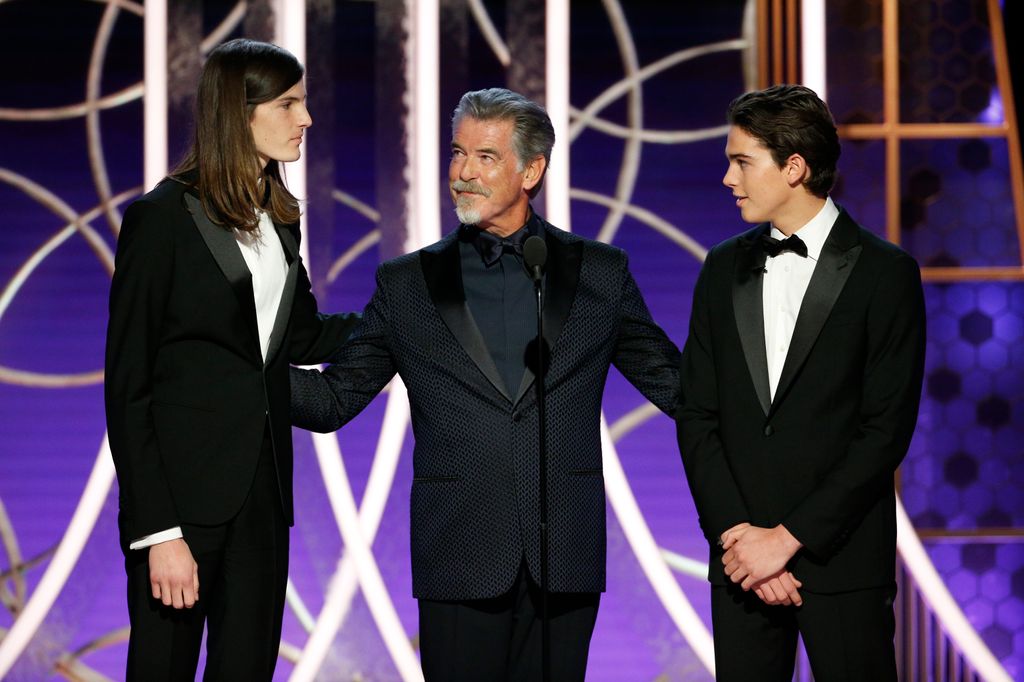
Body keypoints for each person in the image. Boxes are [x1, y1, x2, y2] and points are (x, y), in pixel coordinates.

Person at [290, 87, 679, 680]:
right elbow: (333, 400)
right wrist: (236, 371)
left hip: (563, 555)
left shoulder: (600, 273)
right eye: (456, 154)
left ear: (533, 169)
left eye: (486, 158)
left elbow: (678, 389)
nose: (463, 174)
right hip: (460, 553)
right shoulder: (406, 285)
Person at [104, 38, 358, 681]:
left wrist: (408, 321)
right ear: (237, 114)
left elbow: (299, 338)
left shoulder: (279, 218)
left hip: (262, 501)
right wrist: (159, 533)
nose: (305, 119)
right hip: (182, 510)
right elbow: (128, 388)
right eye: (289, 103)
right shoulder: (160, 219)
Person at [676, 84, 926, 681]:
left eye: (741, 162)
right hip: (740, 568)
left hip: (840, 562)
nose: (727, 178)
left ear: (794, 167)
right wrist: (740, 541)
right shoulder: (721, 269)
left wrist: (787, 540)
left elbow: (883, 432)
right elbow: (697, 415)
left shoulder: (885, 273)